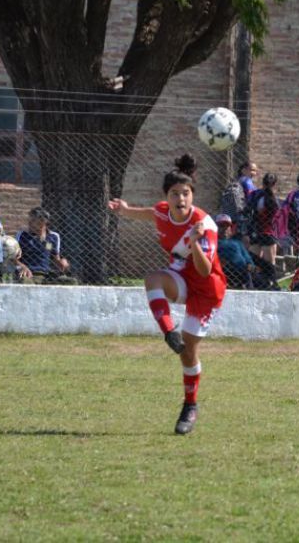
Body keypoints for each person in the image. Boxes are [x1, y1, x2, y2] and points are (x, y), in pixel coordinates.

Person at [108, 153, 227, 435]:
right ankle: (167, 331)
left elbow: (203, 268)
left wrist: (196, 242)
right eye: (175, 194)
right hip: (180, 276)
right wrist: (125, 210)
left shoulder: (204, 225)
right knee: (152, 279)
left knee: (188, 352)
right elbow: (152, 213)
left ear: (192, 196)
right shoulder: (163, 210)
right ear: (167, 197)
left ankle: (190, 405)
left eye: (186, 194)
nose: (181, 199)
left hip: (206, 287)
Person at [16, 207, 76, 284]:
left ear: (44, 223)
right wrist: (22, 266)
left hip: (47, 274)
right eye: (30, 221)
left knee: (71, 282)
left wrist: (62, 263)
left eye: (34, 221)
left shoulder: (53, 237)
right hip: (29, 273)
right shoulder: (22, 235)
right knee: (24, 282)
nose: (30, 224)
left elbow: (55, 258)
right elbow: (13, 258)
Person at [248, 172, 281, 288]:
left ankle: (252, 283)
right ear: (275, 184)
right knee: (270, 264)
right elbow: (275, 217)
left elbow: (248, 209)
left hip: (255, 231)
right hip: (268, 233)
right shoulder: (272, 198)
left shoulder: (254, 194)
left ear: (263, 182)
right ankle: (271, 284)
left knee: (253, 261)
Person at [215, 213, 256, 289]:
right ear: (216, 228)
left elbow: (247, 258)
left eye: (227, 226)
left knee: (249, 273)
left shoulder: (238, 243)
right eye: (221, 226)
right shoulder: (213, 241)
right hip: (224, 270)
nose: (225, 228)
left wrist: (250, 264)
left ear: (231, 228)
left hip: (242, 270)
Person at [284, 172, 299, 291]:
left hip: (294, 229)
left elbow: (285, 209)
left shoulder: (293, 194)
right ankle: (296, 283)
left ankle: (297, 282)